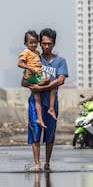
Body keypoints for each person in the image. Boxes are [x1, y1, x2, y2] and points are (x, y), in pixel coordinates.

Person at [22, 28, 68, 172]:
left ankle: (47, 163)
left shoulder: (60, 61)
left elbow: (61, 80)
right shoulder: (34, 58)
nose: (46, 46)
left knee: (50, 133)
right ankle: (37, 164)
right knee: (35, 131)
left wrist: (44, 87)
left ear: (54, 44)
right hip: (35, 102)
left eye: (49, 44)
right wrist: (35, 85)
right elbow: (23, 81)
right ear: (39, 43)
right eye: (44, 44)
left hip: (52, 103)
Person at [18, 30, 57, 129]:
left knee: (47, 90)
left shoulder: (37, 52)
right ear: (25, 43)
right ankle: (45, 113)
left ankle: (43, 115)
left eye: (35, 42)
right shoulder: (26, 52)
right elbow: (20, 64)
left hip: (37, 76)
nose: (33, 45)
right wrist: (31, 68)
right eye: (31, 42)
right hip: (31, 77)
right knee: (47, 82)